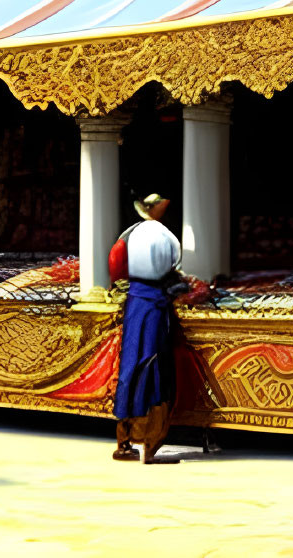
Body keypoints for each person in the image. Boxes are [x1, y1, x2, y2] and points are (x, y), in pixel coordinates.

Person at [109, 193, 184, 465]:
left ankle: (123, 442)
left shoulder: (130, 233)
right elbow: (174, 269)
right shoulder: (167, 237)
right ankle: (150, 445)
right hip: (154, 302)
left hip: (135, 301)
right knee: (154, 366)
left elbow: (115, 262)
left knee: (130, 364)